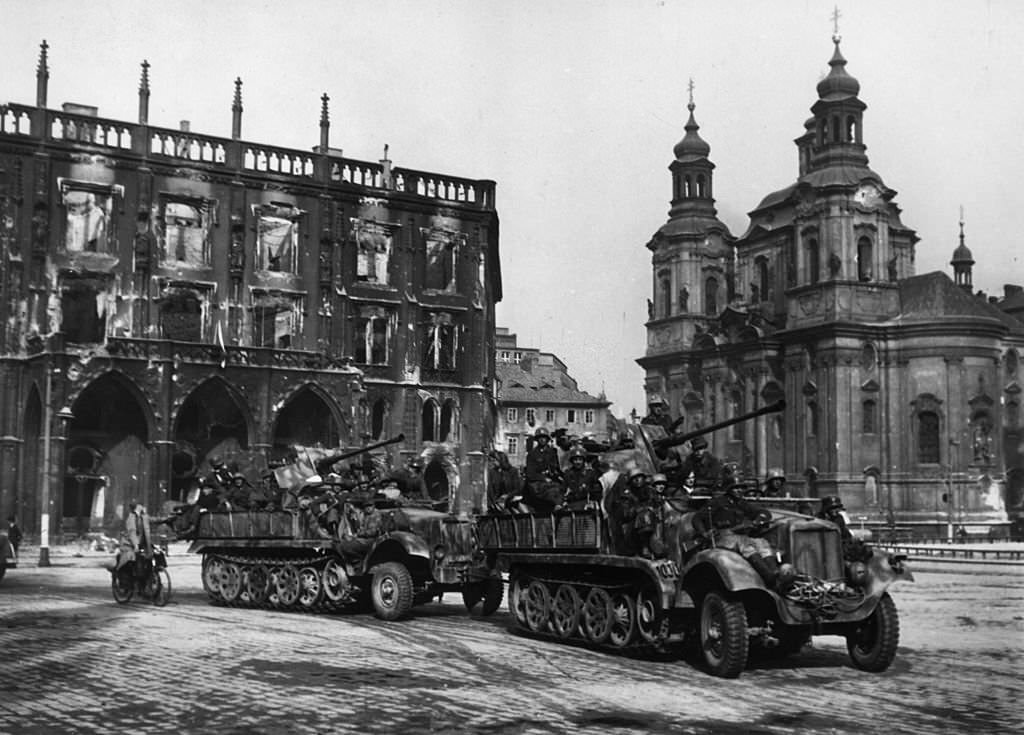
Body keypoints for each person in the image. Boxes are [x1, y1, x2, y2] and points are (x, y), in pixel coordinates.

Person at [692, 483, 795, 592]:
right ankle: (769, 578)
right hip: (722, 537)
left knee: (762, 542)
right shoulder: (717, 502)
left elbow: (763, 512)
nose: (739, 490)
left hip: (740, 536)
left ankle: (775, 573)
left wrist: (757, 520)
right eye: (736, 488)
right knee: (745, 544)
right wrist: (704, 533)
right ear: (729, 489)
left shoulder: (742, 503)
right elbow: (697, 518)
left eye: (741, 488)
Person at [817, 495, 872, 562]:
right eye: (832, 508)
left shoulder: (839, 518)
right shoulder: (818, 519)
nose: (835, 511)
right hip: (826, 547)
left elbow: (845, 533)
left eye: (837, 508)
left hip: (841, 545)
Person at [524, 427, 564, 513]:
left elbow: (556, 468)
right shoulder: (532, 454)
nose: (542, 440)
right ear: (537, 439)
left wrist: (561, 476)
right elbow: (530, 473)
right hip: (537, 482)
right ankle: (557, 505)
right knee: (552, 490)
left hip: (551, 480)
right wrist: (543, 478)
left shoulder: (552, 452)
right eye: (540, 438)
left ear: (547, 439)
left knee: (562, 487)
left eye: (544, 437)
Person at [337, 495, 384, 562]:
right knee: (343, 543)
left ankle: (362, 559)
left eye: (370, 506)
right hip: (364, 539)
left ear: (374, 506)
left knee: (345, 546)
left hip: (372, 540)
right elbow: (361, 528)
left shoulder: (376, 515)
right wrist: (354, 536)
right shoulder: (366, 515)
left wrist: (358, 535)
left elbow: (372, 532)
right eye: (366, 506)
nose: (368, 508)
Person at [119, 501, 154, 589]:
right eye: (141, 505)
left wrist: (168, 519)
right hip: (129, 544)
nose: (143, 507)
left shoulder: (143, 517)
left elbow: (154, 520)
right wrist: (136, 545)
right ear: (137, 507)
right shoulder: (131, 518)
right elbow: (132, 532)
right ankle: (134, 584)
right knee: (134, 562)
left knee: (149, 559)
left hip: (140, 544)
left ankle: (146, 583)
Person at [562, 446, 602, 510]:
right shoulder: (568, 474)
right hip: (572, 503)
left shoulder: (590, 473)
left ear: (583, 460)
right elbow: (563, 489)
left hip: (587, 503)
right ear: (572, 461)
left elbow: (597, 489)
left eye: (580, 460)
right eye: (575, 460)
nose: (578, 462)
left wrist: (592, 499)